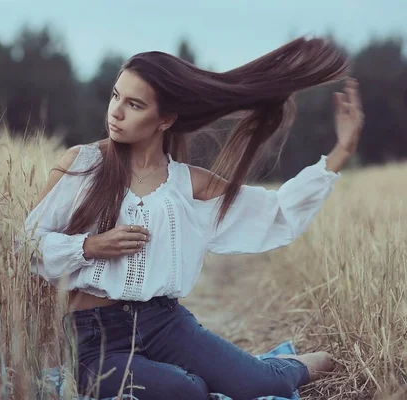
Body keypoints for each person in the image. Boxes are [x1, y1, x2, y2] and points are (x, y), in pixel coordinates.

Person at [23, 37, 364, 400]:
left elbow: (277, 213)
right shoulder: (82, 165)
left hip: (165, 324)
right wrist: (89, 247)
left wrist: (342, 150)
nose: (116, 112)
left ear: (165, 119)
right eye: (115, 96)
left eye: (134, 104)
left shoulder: (188, 184)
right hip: (97, 340)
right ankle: (212, 377)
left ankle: (278, 367)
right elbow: (28, 243)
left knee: (263, 385)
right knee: (186, 391)